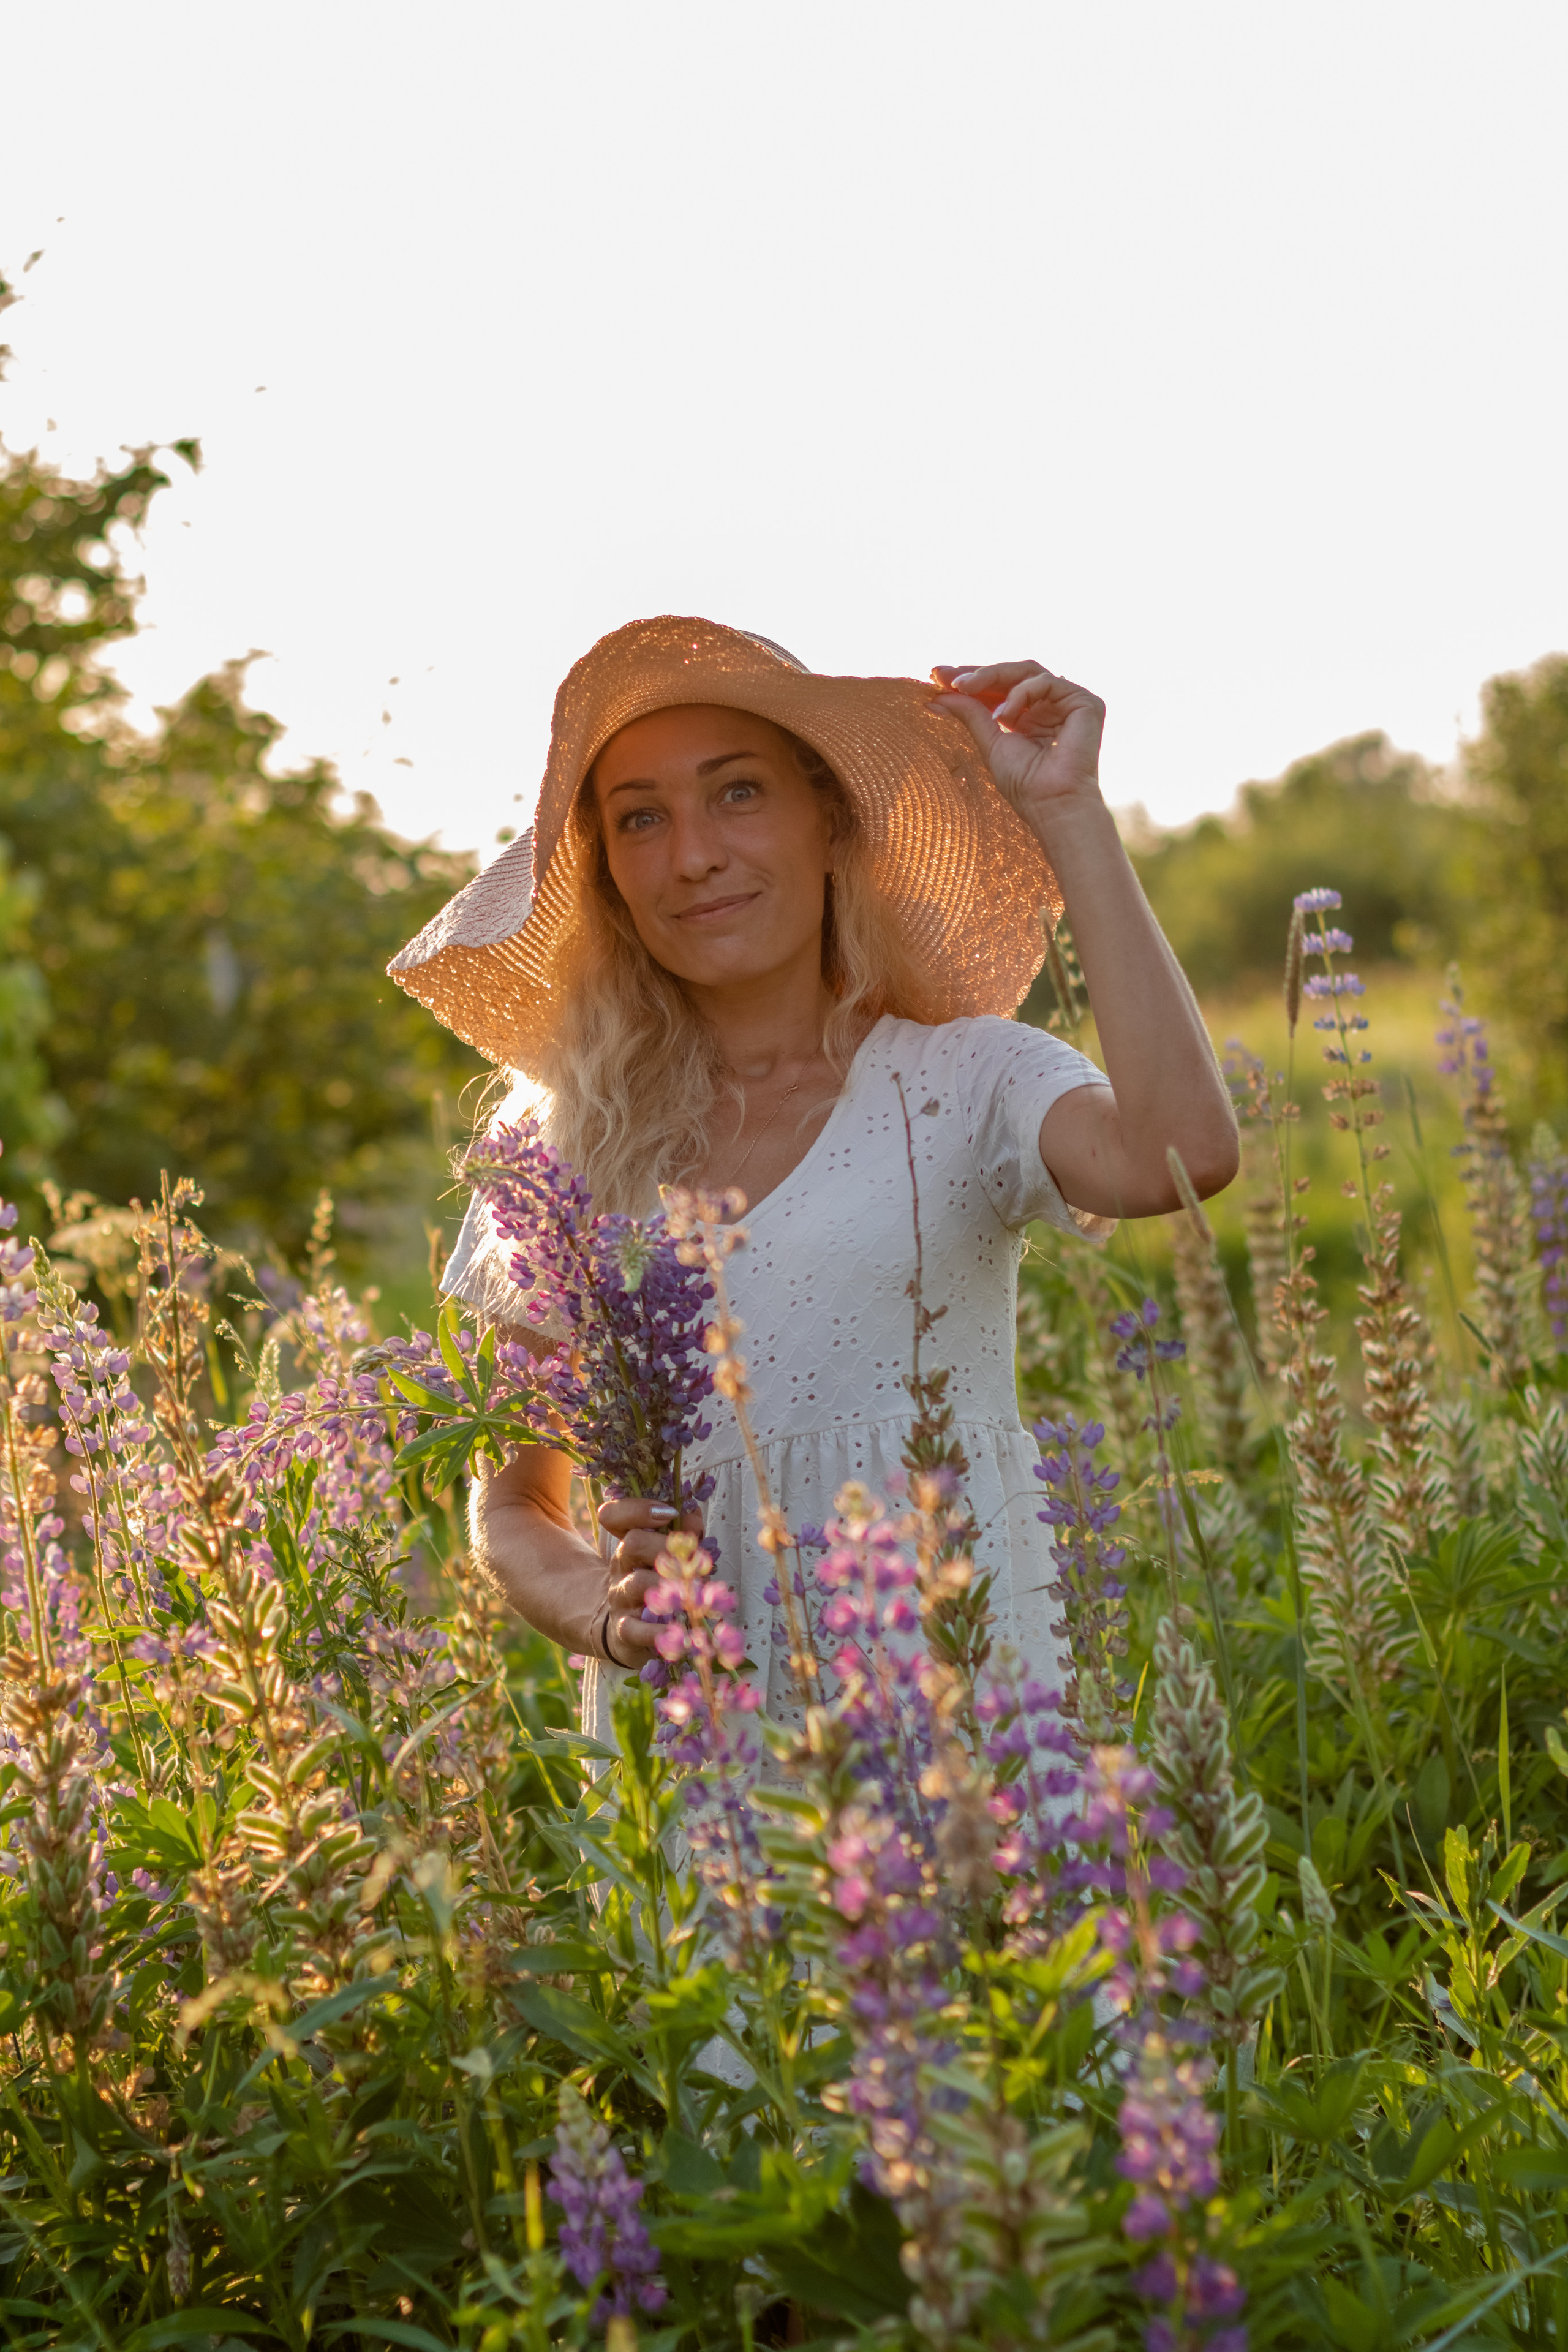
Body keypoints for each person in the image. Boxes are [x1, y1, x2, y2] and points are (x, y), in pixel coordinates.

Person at [390, 617, 1238, 1739]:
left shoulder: (963, 1080)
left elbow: (1181, 1152)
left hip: (956, 1723)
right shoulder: (563, 1148)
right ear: (609, 873)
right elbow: (514, 1503)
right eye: (641, 818)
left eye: (738, 794)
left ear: (830, 822)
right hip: (701, 1770)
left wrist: (1070, 812)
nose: (692, 853)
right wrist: (606, 1607)